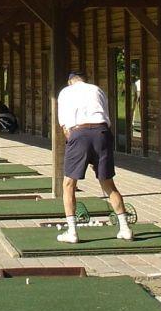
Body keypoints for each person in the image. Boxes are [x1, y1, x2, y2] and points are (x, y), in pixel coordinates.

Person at [56, 70, 132, 244]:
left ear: (70, 82)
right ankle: (125, 229)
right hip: (102, 133)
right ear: (85, 80)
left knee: (69, 184)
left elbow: (65, 127)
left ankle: (72, 232)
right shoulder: (97, 90)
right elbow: (105, 117)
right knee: (108, 182)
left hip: (79, 132)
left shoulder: (65, 92)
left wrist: (78, 146)